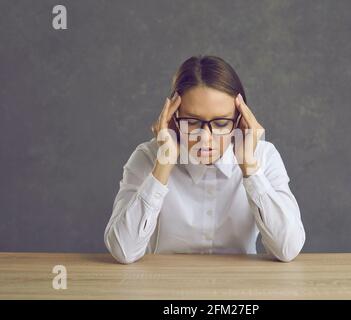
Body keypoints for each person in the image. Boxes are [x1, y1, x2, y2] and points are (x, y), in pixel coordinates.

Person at [104, 55, 306, 264]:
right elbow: (123, 250)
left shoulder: (264, 156)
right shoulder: (148, 157)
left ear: (239, 119)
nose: (205, 137)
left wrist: (250, 168)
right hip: (164, 288)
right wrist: (163, 164)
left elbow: (288, 249)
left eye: (220, 123)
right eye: (191, 121)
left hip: (240, 289)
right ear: (173, 117)